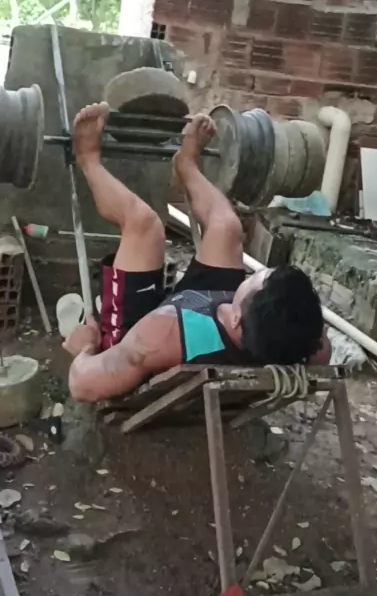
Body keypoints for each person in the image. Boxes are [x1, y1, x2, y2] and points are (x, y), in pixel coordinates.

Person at [64, 102, 331, 403]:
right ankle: (186, 165)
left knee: (144, 224)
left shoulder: (159, 335)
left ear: (236, 319)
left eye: (253, 281)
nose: (251, 275)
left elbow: (82, 385)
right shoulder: (309, 346)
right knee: (227, 228)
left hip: (146, 336)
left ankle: (88, 159)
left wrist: (86, 346)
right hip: (206, 324)